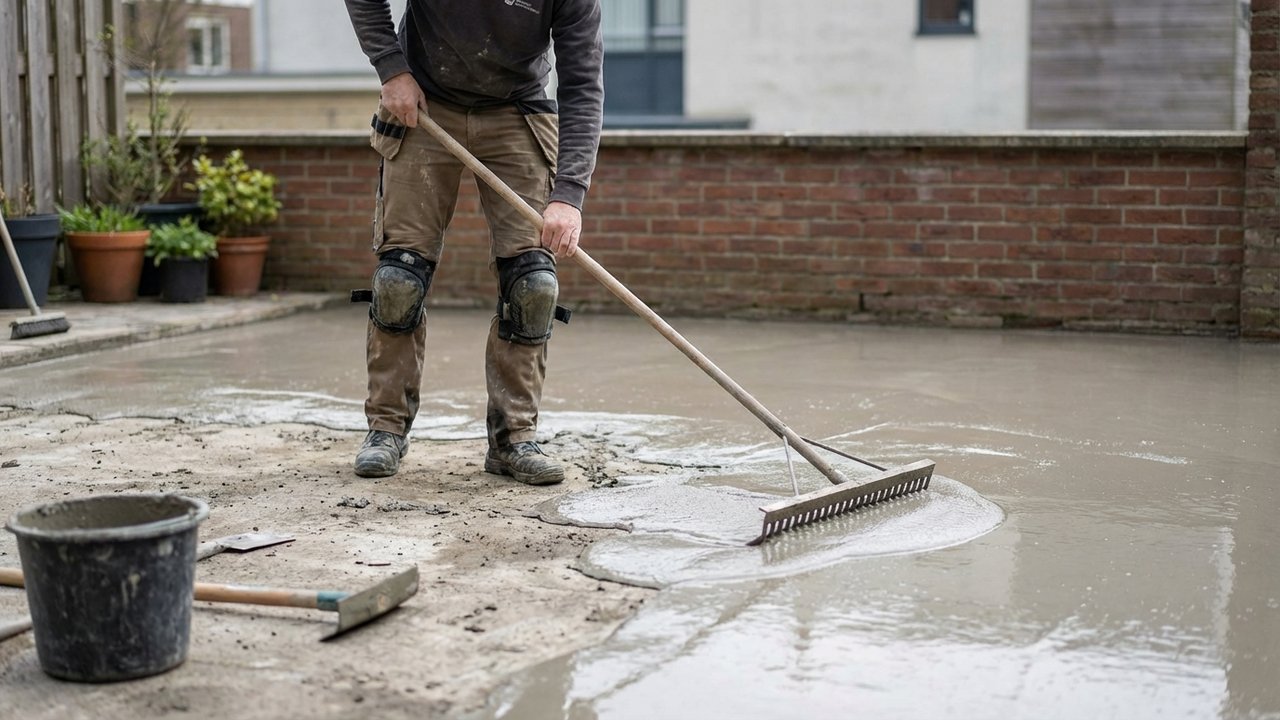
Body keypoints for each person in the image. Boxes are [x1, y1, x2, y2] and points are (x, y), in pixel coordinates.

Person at [342, 0, 604, 483]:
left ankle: (514, 439)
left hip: (518, 109)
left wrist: (568, 195)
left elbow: (583, 83)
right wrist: (391, 68)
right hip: (424, 99)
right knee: (399, 279)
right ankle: (386, 429)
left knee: (533, 286)